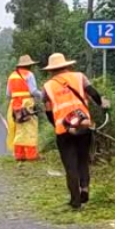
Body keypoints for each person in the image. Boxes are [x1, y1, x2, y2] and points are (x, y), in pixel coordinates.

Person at [41, 53, 109, 210]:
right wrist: (102, 105)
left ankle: (76, 201)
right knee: (82, 160)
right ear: (67, 65)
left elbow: (48, 111)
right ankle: (85, 188)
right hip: (83, 126)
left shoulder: (47, 87)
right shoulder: (79, 77)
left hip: (64, 131)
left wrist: (56, 125)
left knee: (70, 166)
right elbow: (93, 93)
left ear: (51, 70)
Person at [5, 55, 43, 161]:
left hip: (14, 106)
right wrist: (43, 95)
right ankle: (31, 155)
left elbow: (8, 94)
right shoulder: (29, 74)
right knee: (30, 129)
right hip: (26, 104)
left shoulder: (12, 75)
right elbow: (33, 91)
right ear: (29, 65)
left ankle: (19, 155)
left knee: (19, 129)